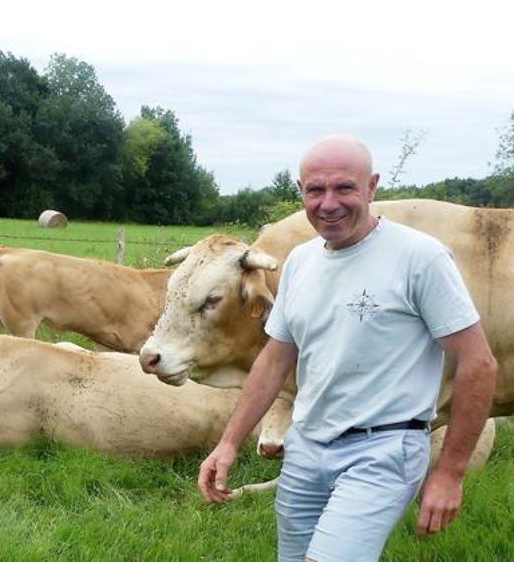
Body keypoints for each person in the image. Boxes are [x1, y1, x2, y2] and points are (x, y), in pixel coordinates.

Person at [197, 134, 497, 561]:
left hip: (383, 449)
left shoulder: (420, 258)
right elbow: (274, 359)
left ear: (371, 187)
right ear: (301, 190)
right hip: (306, 448)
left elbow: (479, 363)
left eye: (344, 188)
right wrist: (228, 443)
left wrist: (450, 472)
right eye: (315, 190)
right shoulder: (300, 262)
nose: (328, 202)